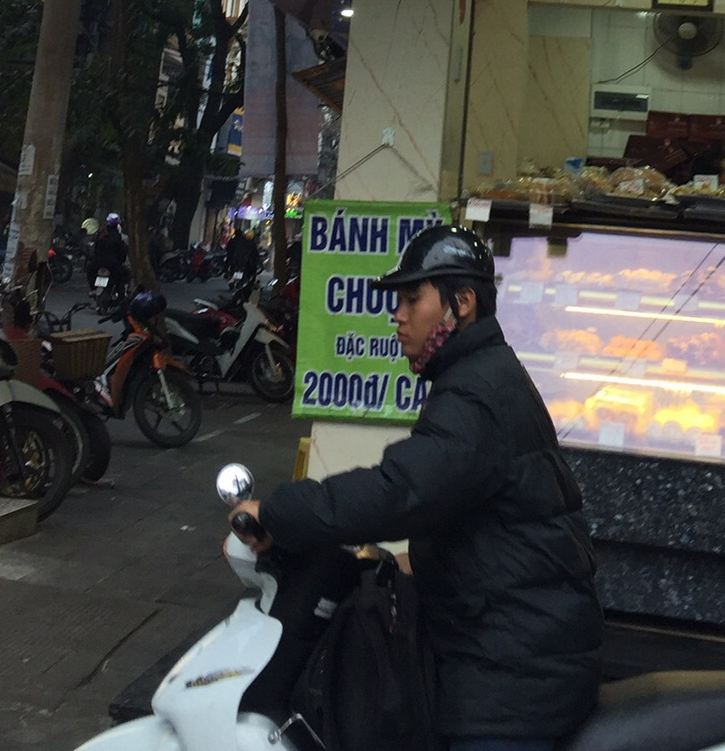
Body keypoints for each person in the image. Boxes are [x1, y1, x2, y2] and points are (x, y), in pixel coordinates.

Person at [229, 223, 603, 751]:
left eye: (412, 300)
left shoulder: (475, 394)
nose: (398, 316)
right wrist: (419, 559)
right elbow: (469, 504)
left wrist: (279, 511)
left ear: (462, 303)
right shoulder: (480, 374)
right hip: (503, 635)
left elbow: (400, 491)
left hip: (514, 672)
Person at [90, 211, 128, 298]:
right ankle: (121, 295)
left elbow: (95, 250)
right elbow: (122, 251)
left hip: (98, 263)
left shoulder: (101, 234)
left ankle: (93, 289)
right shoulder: (117, 236)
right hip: (113, 264)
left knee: (91, 271)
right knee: (122, 277)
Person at [225, 221, 260, 290]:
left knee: (232, 269)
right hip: (244, 262)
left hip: (237, 261)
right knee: (251, 271)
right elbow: (255, 253)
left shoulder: (239, 241)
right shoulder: (250, 243)